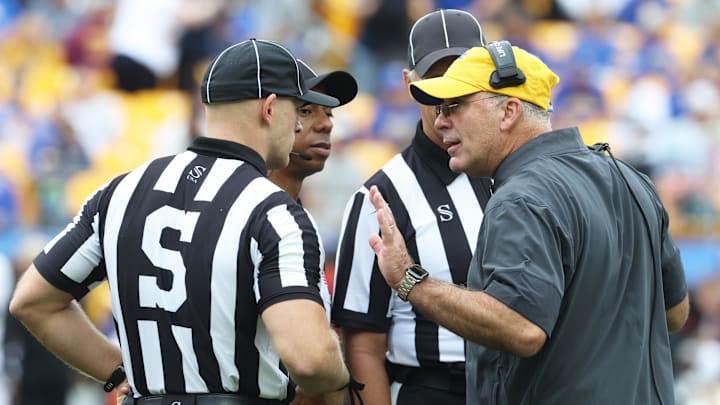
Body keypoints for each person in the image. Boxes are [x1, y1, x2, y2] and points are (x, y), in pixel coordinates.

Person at [9, 38, 352, 405]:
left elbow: (33, 301)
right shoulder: (273, 210)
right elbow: (311, 359)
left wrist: (119, 372)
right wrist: (341, 379)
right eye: (296, 110)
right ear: (270, 109)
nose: (299, 125)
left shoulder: (119, 191)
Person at [366, 40, 691, 404]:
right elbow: (674, 312)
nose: (440, 120)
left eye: (455, 106)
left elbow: (522, 327)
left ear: (509, 112)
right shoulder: (631, 179)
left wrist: (410, 280)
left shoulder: (520, 197)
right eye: (440, 108)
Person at [331, 9, 492, 405]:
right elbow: (363, 345)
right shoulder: (381, 196)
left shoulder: (518, 175)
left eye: (464, 74)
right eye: (436, 77)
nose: (450, 93)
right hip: (435, 388)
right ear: (410, 83)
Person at [268, 60, 358, 202]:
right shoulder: (243, 212)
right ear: (267, 112)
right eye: (306, 111)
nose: (328, 124)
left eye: (329, 114)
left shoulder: (291, 214)